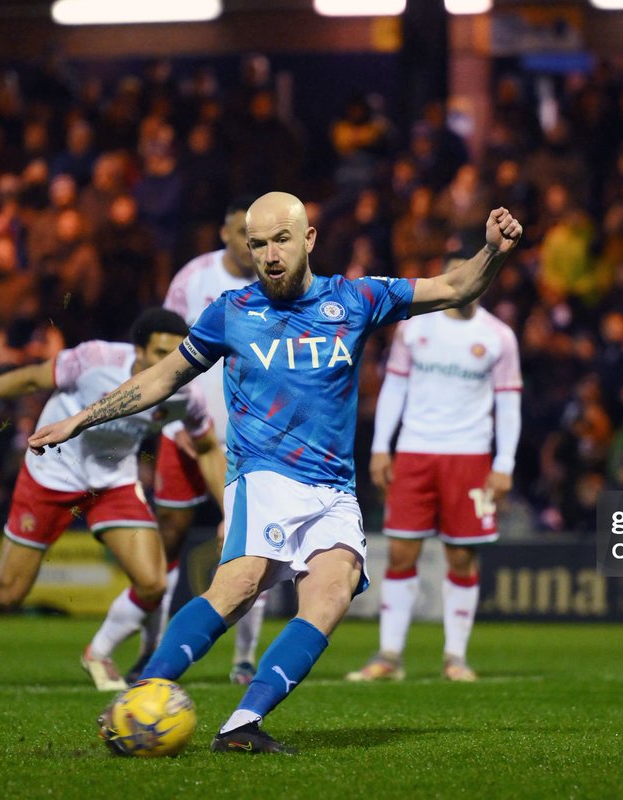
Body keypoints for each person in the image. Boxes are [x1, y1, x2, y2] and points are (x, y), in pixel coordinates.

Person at [27, 192, 522, 754]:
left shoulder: (356, 299)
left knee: (333, 592)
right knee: (237, 587)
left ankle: (241, 725)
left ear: (308, 239)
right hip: (262, 475)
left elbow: (455, 287)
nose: (269, 255)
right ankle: (137, 700)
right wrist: (81, 420)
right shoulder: (231, 312)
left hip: (333, 487)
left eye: (281, 240)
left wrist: (492, 252)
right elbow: (163, 377)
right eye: (257, 244)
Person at [0, 308, 226, 691]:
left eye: (175, 354)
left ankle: (99, 653)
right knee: (9, 594)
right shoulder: (96, 359)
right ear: (138, 350)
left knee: (153, 584)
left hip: (113, 482)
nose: (168, 363)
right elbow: (33, 378)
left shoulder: (187, 393)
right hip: (52, 472)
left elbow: (207, 448)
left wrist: (229, 512)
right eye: (160, 353)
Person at [109, 195, 266, 686]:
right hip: (188, 431)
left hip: (250, 440)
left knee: (254, 542)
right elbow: (167, 354)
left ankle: (244, 657)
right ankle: (150, 649)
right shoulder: (193, 279)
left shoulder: (276, 281)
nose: (250, 244)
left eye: (256, 236)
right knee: (169, 535)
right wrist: (173, 425)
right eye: (242, 233)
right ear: (224, 232)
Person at [345, 253, 522, 683]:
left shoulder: (498, 337)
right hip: (415, 452)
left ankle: (455, 657)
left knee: (461, 557)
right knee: (401, 552)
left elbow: (508, 401)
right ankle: (389, 655)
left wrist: (504, 463)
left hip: (470, 456)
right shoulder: (415, 327)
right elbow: (394, 387)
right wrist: (381, 448)